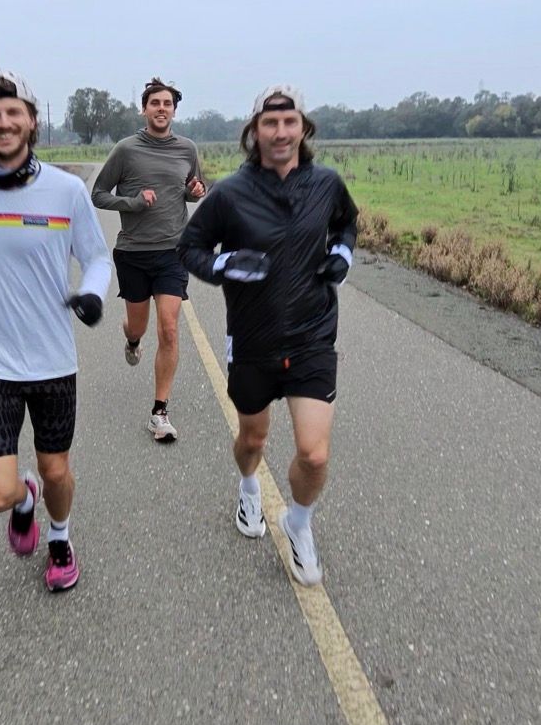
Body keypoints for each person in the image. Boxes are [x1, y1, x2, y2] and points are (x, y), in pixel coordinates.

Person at [0, 70, 110, 593]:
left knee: (56, 470)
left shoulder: (65, 190)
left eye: (14, 113)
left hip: (53, 361)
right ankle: (23, 499)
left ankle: (60, 537)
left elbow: (97, 258)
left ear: (31, 121)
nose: (3, 122)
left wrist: (92, 294)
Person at [178, 86, 358, 586]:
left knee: (314, 454)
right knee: (253, 438)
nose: (281, 132)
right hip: (253, 339)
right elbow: (189, 249)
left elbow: (347, 223)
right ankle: (249, 487)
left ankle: (298, 521)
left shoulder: (326, 184)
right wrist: (225, 264)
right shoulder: (230, 193)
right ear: (254, 133)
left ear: (304, 128)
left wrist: (342, 254)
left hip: (312, 336)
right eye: (270, 123)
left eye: (289, 122)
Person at [91, 76, 206, 443]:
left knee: (169, 328)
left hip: (173, 251)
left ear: (174, 111)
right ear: (144, 110)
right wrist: (133, 202)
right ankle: (131, 340)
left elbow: (191, 190)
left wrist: (196, 191)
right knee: (138, 327)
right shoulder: (126, 150)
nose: (161, 108)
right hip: (133, 253)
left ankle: (160, 412)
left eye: (167, 103)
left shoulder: (187, 149)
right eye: (155, 103)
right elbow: (98, 194)